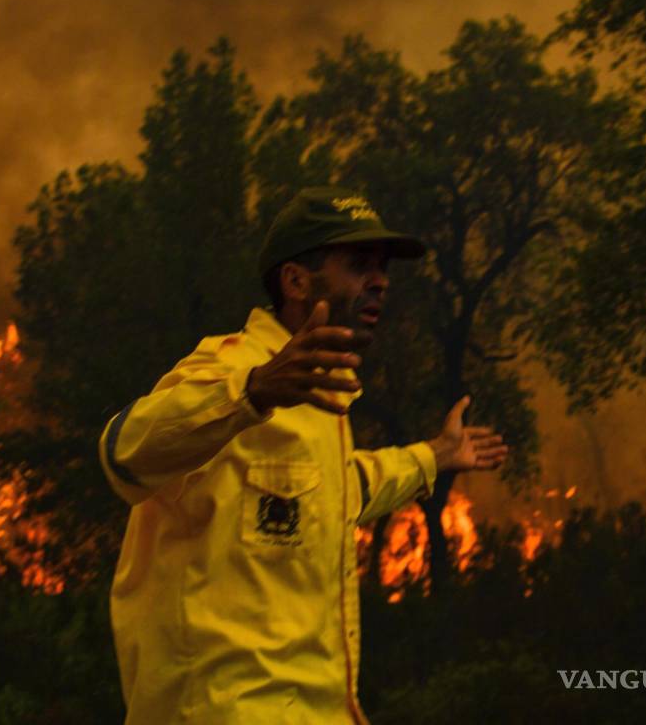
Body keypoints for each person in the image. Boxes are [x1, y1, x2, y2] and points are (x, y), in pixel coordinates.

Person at [99, 186, 509, 723]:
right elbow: (122, 453)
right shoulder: (230, 368)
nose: (380, 281)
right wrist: (252, 392)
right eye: (359, 265)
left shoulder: (320, 394)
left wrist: (435, 455)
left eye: (383, 268)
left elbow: (338, 488)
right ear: (295, 281)